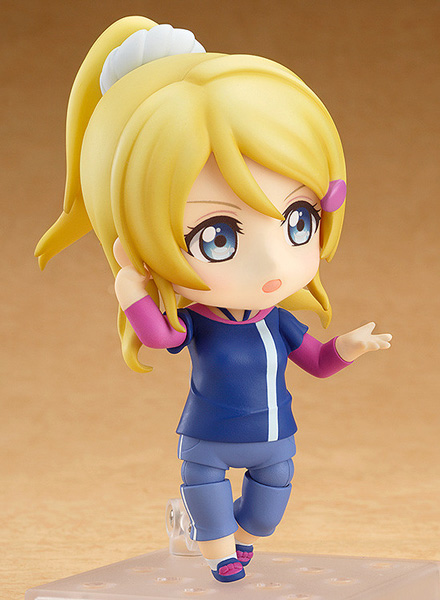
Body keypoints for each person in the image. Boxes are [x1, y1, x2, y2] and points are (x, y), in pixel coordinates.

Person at [36, 16, 392, 583]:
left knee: (267, 514)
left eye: (298, 221)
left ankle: (240, 539)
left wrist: (349, 347)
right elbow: (163, 337)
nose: (273, 265)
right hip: (205, 442)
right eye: (217, 237)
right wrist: (131, 292)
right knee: (207, 504)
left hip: (276, 442)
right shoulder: (200, 320)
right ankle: (218, 548)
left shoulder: (277, 323)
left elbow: (320, 363)